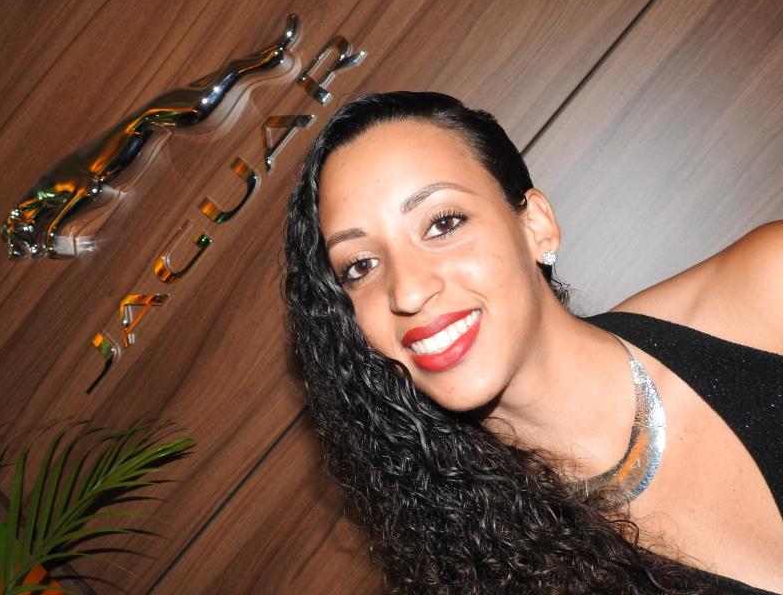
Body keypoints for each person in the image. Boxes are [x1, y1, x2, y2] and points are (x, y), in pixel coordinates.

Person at [284, 91, 783, 594]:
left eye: (442, 224)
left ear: (536, 226)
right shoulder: (483, 572)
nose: (408, 292)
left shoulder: (768, 292)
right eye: (361, 266)